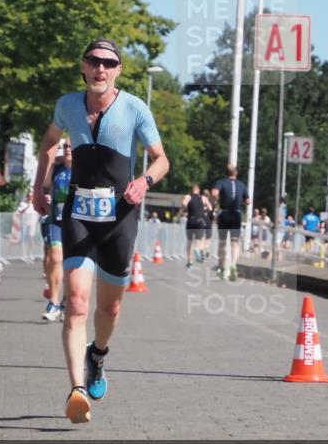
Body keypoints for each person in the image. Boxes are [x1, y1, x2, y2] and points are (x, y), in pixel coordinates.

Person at [33, 38, 169, 424]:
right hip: (78, 211)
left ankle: (98, 355)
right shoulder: (68, 105)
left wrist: (144, 180)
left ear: (118, 71)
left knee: (109, 308)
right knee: (76, 302)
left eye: (109, 63)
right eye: (94, 61)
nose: (100, 68)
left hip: (120, 216)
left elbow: (162, 160)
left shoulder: (134, 109)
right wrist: (39, 188)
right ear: (84, 65)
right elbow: (48, 143)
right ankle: (76, 390)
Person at [41, 140, 72, 322]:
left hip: (77, 224)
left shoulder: (85, 169)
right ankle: (53, 302)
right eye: (65, 146)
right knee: (55, 258)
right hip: (57, 221)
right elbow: (44, 186)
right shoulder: (56, 169)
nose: (68, 149)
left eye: (71, 146)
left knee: (72, 267)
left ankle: (66, 303)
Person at [213, 164, 250, 280]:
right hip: (236, 214)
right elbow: (248, 201)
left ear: (226, 173)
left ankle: (222, 267)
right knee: (235, 243)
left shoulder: (221, 182)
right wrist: (241, 202)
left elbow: (214, 193)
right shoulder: (242, 185)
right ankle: (233, 264)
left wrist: (216, 201)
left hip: (224, 213)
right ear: (236, 173)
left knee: (223, 242)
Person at [181, 184, 212, 267]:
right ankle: (197, 248)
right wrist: (203, 208)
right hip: (199, 221)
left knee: (189, 241)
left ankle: (189, 262)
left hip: (190, 221)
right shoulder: (203, 198)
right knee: (198, 240)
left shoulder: (188, 196)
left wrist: (186, 208)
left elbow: (184, 204)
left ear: (191, 190)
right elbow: (210, 208)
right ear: (198, 190)